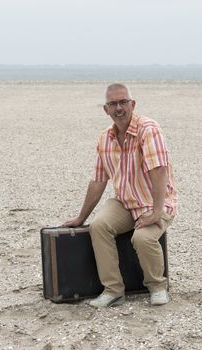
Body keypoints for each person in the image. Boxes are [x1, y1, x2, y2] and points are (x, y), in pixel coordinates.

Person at [63, 83, 178, 308]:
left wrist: (156, 212)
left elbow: (160, 172)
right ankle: (113, 290)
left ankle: (157, 286)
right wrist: (80, 218)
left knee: (142, 238)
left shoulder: (149, 129)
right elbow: (98, 181)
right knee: (98, 226)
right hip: (125, 202)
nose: (119, 108)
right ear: (106, 109)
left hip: (155, 201)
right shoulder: (104, 138)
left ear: (133, 104)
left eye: (123, 102)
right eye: (113, 104)